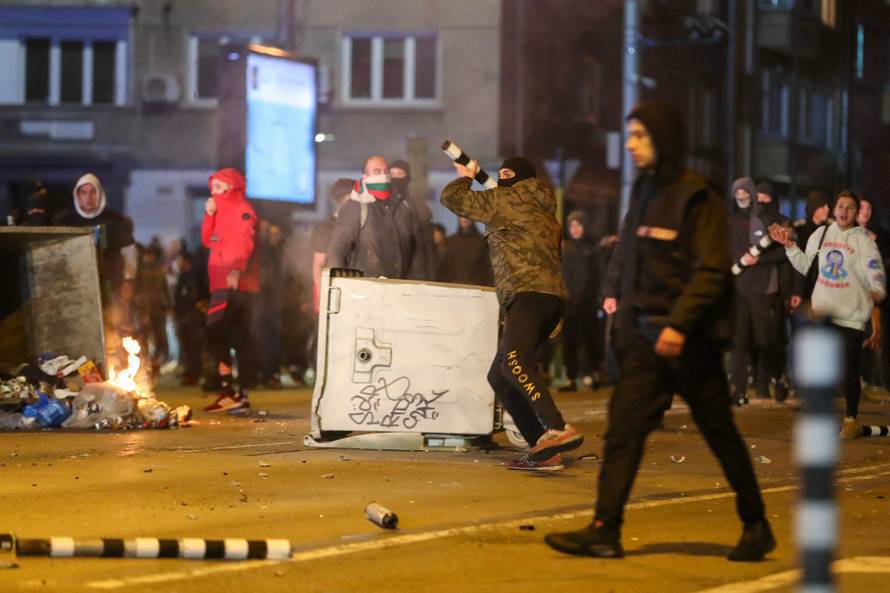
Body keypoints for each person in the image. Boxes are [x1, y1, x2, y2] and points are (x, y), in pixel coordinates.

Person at [545, 100, 774, 561]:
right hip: (645, 343)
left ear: (663, 139)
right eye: (629, 135)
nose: (629, 145)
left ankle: (756, 525)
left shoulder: (697, 197)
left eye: (639, 136)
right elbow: (631, 262)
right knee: (622, 432)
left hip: (688, 342)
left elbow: (711, 271)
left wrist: (679, 324)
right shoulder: (645, 191)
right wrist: (627, 329)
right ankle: (605, 528)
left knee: (719, 433)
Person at [441, 155, 582, 472]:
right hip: (549, 299)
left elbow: (452, 198)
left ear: (515, 180)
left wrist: (465, 176)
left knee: (514, 361)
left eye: (507, 174)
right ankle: (543, 451)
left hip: (527, 295)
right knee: (500, 375)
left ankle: (557, 428)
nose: (502, 179)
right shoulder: (545, 209)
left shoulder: (504, 199)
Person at [769, 191, 886, 439]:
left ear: (855, 213)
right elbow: (805, 265)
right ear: (834, 209)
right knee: (820, 370)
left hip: (851, 316)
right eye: (840, 206)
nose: (844, 211)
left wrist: (877, 290)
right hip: (823, 314)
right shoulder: (821, 234)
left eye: (850, 208)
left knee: (848, 371)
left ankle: (851, 420)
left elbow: (875, 269)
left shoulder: (864, 240)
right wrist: (790, 246)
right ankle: (823, 419)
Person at [201, 168, 260, 414]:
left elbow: (245, 241)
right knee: (230, 335)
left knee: (216, 333)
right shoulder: (222, 210)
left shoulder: (241, 209)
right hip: (221, 282)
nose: (212, 190)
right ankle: (234, 393)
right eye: (212, 185)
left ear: (229, 187)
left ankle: (234, 391)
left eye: (217, 186)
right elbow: (207, 240)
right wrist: (209, 215)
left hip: (232, 284)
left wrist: (236, 268)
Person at [728, 177, 787, 405]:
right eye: (737, 192)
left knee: (765, 340)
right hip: (738, 290)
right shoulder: (730, 221)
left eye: (745, 192)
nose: (741, 196)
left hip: (763, 289)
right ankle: (739, 390)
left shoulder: (767, 219)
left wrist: (758, 261)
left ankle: (775, 379)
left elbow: (783, 253)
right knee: (739, 341)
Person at [325, 155, 426, 279]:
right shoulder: (356, 207)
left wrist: (418, 285)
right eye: (377, 172)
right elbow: (338, 249)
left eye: (386, 171)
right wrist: (338, 286)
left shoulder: (404, 206)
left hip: (400, 288)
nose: (383, 176)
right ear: (365, 177)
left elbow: (418, 250)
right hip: (366, 288)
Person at [52, 173, 137, 304]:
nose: (89, 198)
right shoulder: (64, 221)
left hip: (109, 283)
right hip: (75, 285)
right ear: (78, 196)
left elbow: (128, 252)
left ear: (100, 194)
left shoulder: (115, 221)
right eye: (84, 193)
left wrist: (128, 280)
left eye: (93, 192)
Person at [559, 210, 602, 392]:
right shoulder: (565, 248)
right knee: (569, 341)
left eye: (578, 225)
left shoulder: (593, 248)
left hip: (588, 303)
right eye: (572, 226)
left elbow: (600, 274)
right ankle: (571, 377)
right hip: (569, 304)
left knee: (589, 340)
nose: (575, 229)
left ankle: (591, 373)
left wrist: (599, 297)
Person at [390, 159, 435, 280]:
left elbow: (427, 245)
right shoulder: (381, 205)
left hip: (413, 272)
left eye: (399, 174)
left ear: (407, 178)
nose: (395, 178)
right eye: (392, 174)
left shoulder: (417, 206)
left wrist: (428, 275)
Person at [436, 216, 493, 286]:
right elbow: (444, 269)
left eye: (467, 216)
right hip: (453, 289)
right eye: (461, 216)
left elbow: (487, 268)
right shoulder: (451, 241)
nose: (464, 219)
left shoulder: (481, 241)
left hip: (476, 290)